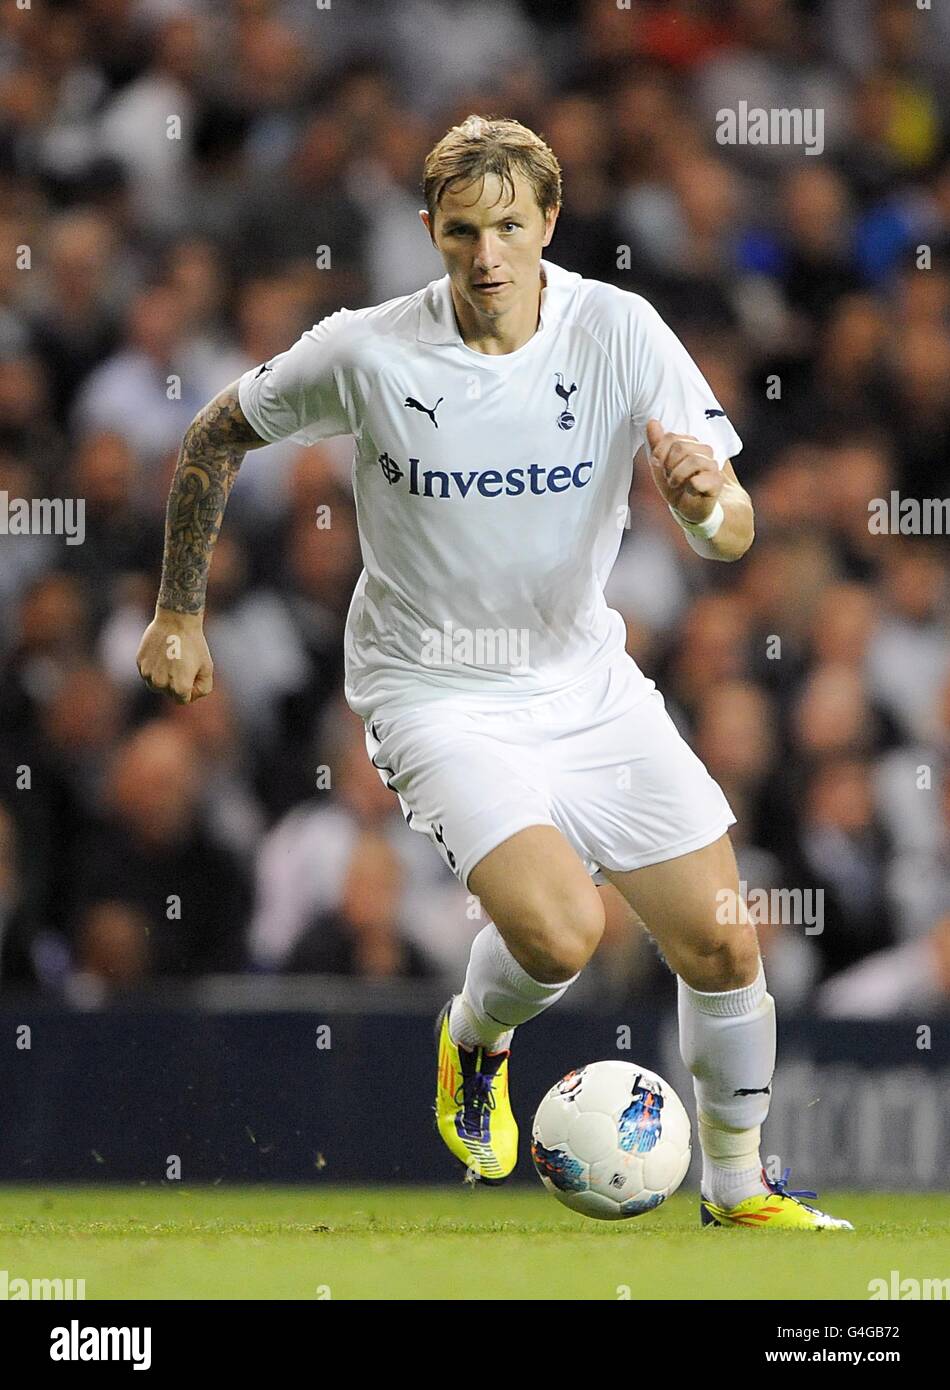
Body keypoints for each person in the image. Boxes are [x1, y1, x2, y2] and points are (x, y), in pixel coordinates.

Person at [136, 115, 851, 1230]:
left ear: (548, 223)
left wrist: (703, 498)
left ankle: (738, 1189)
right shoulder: (365, 350)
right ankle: (473, 1040)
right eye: (461, 230)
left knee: (720, 934)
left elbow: (731, 534)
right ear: (428, 230)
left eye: (509, 227)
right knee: (562, 932)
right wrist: (178, 613)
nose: (485, 256)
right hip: (432, 693)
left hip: (585, 682)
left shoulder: (618, 329)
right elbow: (213, 438)